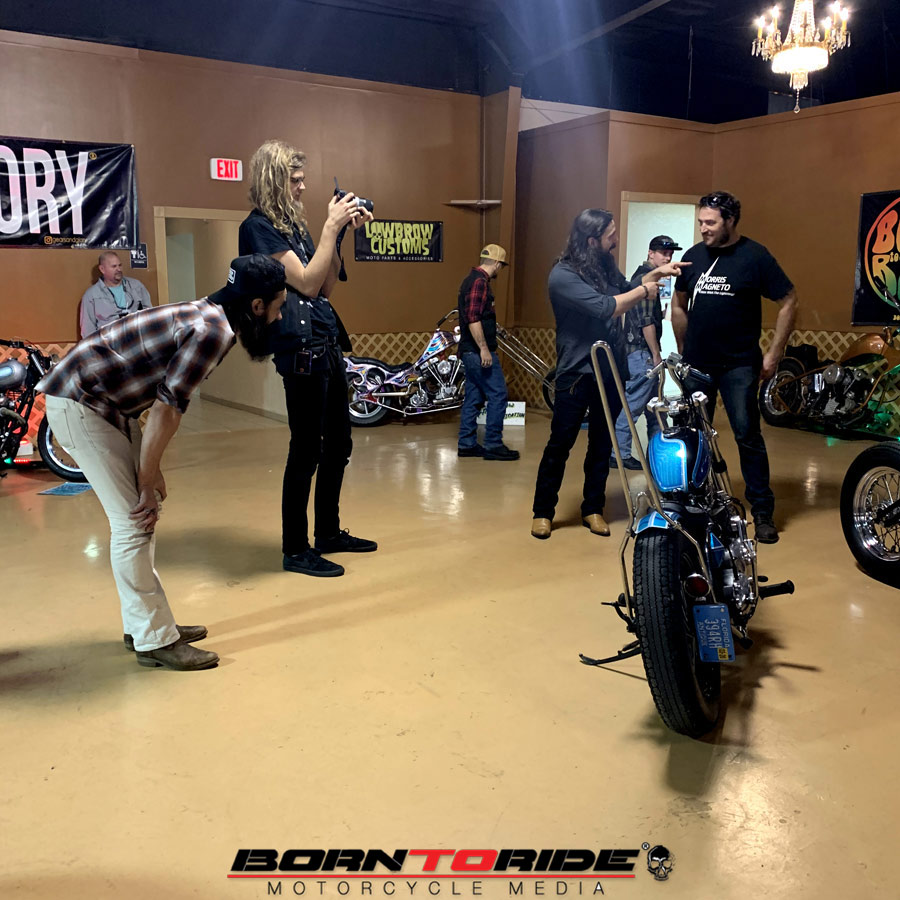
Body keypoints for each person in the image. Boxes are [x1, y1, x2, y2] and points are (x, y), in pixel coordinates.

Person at [37, 254, 288, 671]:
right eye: (278, 307)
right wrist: (146, 478)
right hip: (81, 404)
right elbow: (166, 410)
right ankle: (154, 639)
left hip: (103, 404)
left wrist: (151, 473)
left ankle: (145, 625)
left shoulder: (208, 314)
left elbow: (158, 405)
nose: (279, 318)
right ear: (257, 306)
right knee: (134, 520)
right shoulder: (212, 332)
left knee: (143, 515)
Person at [238, 139, 375, 578]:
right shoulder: (259, 228)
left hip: (326, 340)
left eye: (302, 179)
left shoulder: (293, 227)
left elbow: (326, 285)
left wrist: (341, 232)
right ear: (273, 180)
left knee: (339, 443)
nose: (301, 187)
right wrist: (330, 228)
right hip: (299, 349)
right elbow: (307, 284)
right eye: (294, 180)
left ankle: (328, 532)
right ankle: (295, 548)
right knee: (306, 450)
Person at [531, 209, 688, 540]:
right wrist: (644, 292)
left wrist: (654, 272)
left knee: (602, 445)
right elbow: (606, 307)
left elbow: (626, 287)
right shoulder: (563, 275)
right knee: (560, 444)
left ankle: (593, 508)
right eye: (610, 235)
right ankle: (543, 512)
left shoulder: (604, 264)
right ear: (592, 241)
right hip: (576, 373)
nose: (615, 240)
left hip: (610, 370)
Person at [672, 191, 798, 544]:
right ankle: (695, 505)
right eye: (701, 222)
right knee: (693, 435)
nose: (703, 228)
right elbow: (678, 304)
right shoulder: (693, 256)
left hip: (739, 365)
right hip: (698, 364)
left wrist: (774, 353)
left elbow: (789, 300)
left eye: (711, 222)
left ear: (730, 221)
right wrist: (683, 350)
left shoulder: (755, 257)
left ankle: (762, 511)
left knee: (747, 435)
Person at [611, 235, 681, 470]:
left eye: (670, 254)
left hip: (641, 353)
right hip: (642, 354)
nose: (668, 258)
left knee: (655, 408)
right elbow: (646, 321)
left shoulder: (649, 278)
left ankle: (658, 452)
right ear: (651, 253)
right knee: (633, 406)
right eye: (663, 253)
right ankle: (618, 454)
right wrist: (656, 355)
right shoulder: (645, 280)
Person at [456, 244, 519, 461]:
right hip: (477, 352)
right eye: (501, 265)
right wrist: (484, 349)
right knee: (498, 394)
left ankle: (466, 444)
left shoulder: (470, 280)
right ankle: (493, 444)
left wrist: (495, 328)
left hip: (468, 351)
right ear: (498, 264)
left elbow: (479, 316)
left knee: (474, 397)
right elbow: (473, 318)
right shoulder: (479, 283)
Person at [80, 251, 151, 337]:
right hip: (109, 342)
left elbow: (149, 315)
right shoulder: (91, 295)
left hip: (136, 339)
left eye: (120, 265)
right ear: (102, 269)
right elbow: (87, 330)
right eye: (114, 266)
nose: (119, 269)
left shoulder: (137, 286)